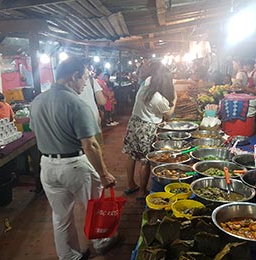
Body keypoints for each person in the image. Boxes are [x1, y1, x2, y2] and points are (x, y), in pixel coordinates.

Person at [30, 57, 117, 260]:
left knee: (60, 216)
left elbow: (37, 131)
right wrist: (103, 174)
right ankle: (101, 241)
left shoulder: (37, 101)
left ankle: (69, 256)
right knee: (94, 206)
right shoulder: (77, 104)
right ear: (74, 76)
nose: (86, 83)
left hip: (48, 166)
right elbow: (90, 144)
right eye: (85, 78)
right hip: (74, 165)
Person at [122, 62, 177, 199]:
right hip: (147, 128)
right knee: (145, 160)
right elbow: (169, 114)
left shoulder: (145, 86)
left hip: (134, 123)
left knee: (131, 155)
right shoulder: (157, 98)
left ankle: (130, 185)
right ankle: (141, 192)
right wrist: (175, 99)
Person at [79, 70, 107, 146]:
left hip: (77, 124)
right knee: (95, 148)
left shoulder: (65, 84)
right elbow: (101, 101)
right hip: (93, 118)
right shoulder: (91, 80)